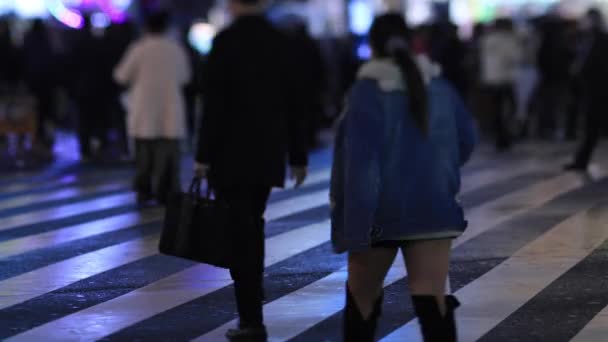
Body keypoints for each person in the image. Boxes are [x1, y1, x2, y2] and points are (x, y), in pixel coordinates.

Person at [330, 14, 476, 342]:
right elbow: (467, 139)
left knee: (362, 299)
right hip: (435, 208)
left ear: (373, 46)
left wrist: (352, 228)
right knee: (431, 297)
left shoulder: (366, 91)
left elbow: (359, 163)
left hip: (379, 214)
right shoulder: (438, 85)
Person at [194, 0, 309, 340]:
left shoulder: (225, 42)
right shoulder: (281, 42)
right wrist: (298, 155)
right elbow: (295, 103)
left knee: (239, 229)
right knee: (251, 223)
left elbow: (212, 105)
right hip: (267, 152)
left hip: (229, 153)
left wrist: (203, 155)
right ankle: (252, 294)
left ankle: (251, 313)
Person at [114, 11, 191, 205]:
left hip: (143, 108)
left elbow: (121, 75)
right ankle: (167, 192)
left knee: (144, 154)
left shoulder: (138, 48)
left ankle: (144, 190)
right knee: (168, 155)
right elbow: (185, 77)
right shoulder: (175, 48)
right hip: (170, 108)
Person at [565, 9, 608, 171]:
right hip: (591, 89)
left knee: (592, 125)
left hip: (600, 89)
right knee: (591, 127)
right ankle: (581, 161)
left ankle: (581, 161)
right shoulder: (587, 39)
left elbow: (598, 65)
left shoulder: (601, 39)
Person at [480, 18, 522, 151]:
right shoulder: (509, 39)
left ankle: (499, 137)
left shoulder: (486, 39)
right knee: (511, 108)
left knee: (496, 110)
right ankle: (507, 135)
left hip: (490, 78)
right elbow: (515, 58)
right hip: (505, 78)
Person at [23, 19, 56, 151]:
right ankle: (40, 135)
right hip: (45, 82)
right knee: (44, 109)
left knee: (35, 109)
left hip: (34, 81)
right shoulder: (46, 40)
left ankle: (37, 135)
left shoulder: (30, 40)